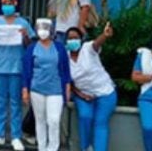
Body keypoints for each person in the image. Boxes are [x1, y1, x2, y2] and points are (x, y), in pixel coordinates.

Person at [0, 0, 33, 151]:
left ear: (16, 3)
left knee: (15, 103)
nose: (7, 5)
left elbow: (29, 45)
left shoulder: (23, 23)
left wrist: (25, 36)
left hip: (16, 68)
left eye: (9, 2)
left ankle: (16, 137)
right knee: (0, 103)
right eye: (4, 2)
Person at [21, 18, 71, 151]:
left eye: (45, 28)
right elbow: (26, 70)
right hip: (37, 89)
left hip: (56, 90)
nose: (42, 32)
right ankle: (42, 147)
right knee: (40, 120)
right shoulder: (32, 48)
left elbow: (66, 70)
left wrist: (67, 88)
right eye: (40, 28)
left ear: (51, 31)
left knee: (54, 120)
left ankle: (53, 147)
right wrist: (25, 90)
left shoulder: (59, 47)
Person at [67, 23, 117, 151]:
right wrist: (81, 94)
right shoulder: (65, 57)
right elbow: (67, 81)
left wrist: (104, 35)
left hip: (105, 92)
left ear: (81, 39)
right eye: (70, 38)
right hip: (82, 95)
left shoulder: (87, 48)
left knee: (100, 123)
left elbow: (97, 43)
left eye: (75, 38)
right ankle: (86, 147)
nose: (73, 41)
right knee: (85, 116)